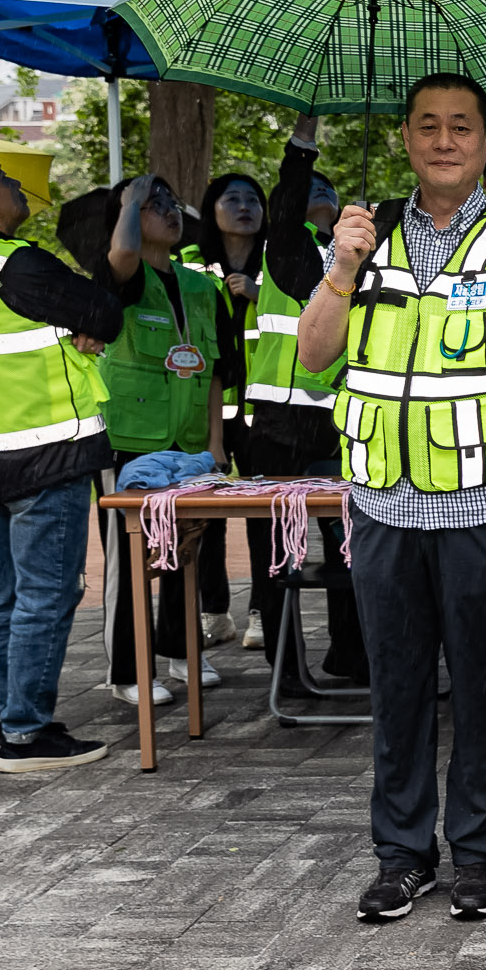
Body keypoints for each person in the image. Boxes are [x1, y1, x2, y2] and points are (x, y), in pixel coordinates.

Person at [295, 74, 486, 924]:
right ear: (406, 138)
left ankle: (480, 855)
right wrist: (341, 267)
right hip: (380, 505)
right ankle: (402, 854)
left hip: (480, 504)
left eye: (463, 127)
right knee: (397, 688)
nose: (445, 140)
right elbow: (311, 356)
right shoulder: (361, 236)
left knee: (482, 686)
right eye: (428, 126)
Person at [0, 143, 124, 772]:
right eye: (3, 178)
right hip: (46, 453)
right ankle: (27, 733)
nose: (15, 185)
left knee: (3, 595)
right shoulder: (17, 265)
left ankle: (3, 717)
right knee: (45, 594)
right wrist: (85, 321)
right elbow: (105, 312)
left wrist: (77, 324)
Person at [236, 117, 366, 679]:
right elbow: (287, 203)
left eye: (330, 191)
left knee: (351, 547)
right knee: (276, 553)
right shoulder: (285, 248)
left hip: (339, 422)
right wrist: (302, 146)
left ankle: (351, 656)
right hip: (277, 427)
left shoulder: (359, 261)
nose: (321, 193)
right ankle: (285, 668)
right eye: (313, 186)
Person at [96, 174, 228, 706]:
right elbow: (123, 252)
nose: (169, 212)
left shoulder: (201, 287)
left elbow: (218, 370)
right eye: (154, 205)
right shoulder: (121, 277)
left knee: (183, 549)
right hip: (131, 438)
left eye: (173, 202)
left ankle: (181, 650)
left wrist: (215, 444)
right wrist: (129, 201)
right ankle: (127, 671)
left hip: (189, 440)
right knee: (129, 560)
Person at [188, 172, 267, 646]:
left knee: (265, 516)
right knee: (206, 516)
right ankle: (214, 610)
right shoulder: (190, 263)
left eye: (252, 199)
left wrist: (262, 293)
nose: (243, 206)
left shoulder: (279, 263)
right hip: (206, 408)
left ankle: (262, 608)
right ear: (211, 209)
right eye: (231, 198)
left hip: (262, 413)